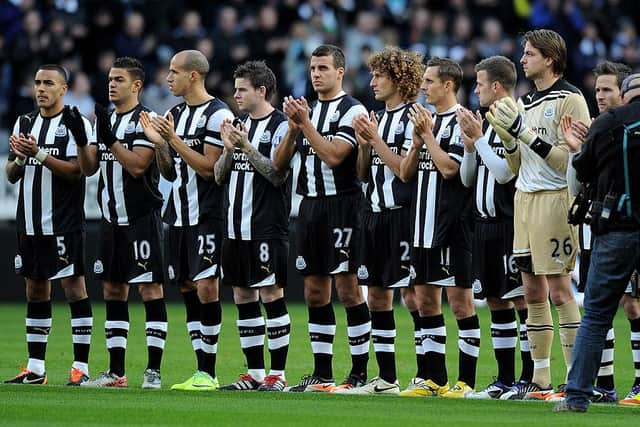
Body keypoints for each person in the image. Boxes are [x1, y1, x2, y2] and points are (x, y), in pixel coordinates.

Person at [486, 29, 591, 400]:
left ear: (550, 59)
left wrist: (524, 134)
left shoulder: (572, 99)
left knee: (560, 289)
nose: (523, 59)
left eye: (530, 53)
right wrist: (510, 140)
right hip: (524, 200)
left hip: (554, 198)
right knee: (532, 290)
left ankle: (575, 378)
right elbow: (517, 166)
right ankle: (541, 380)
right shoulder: (525, 101)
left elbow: (571, 161)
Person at [272, 44, 371, 392]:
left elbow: (333, 156)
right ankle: (323, 374)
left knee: (347, 288)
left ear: (340, 72)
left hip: (343, 206)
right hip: (310, 207)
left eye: (323, 68)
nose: (316, 74)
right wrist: (292, 129)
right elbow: (279, 166)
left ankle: (359, 372)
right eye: (313, 68)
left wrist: (306, 125)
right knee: (315, 292)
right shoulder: (307, 111)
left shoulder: (351, 109)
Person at [140, 50, 233, 391]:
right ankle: (200, 369)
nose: (168, 78)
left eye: (174, 72)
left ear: (193, 76)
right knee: (187, 287)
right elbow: (168, 170)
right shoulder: (174, 113)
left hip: (207, 214)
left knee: (208, 286)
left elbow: (210, 169)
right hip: (177, 216)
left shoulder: (217, 113)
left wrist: (173, 139)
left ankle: (208, 371)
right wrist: (159, 145)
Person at [75, 57, 167, 389]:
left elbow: (139, 166)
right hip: (111, 220)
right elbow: (89, 169)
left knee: (149, 289)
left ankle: (153, 371)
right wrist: (82, 140)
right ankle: (116, 372)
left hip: (141, 219)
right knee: (113, 289)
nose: (111, 84)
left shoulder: (148, 120)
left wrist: (109, 138)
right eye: (110, 78)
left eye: (119, 79)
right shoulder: (108, 118)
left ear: (136, 85)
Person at [554, 73, 640, 412]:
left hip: (617, 227)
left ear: (625, 94)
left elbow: (583, 173)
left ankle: (577, 397)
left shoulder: (607, 124)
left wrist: (580, 147)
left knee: (597, 315)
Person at [341, 46, 424, 395]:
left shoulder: (412, 117)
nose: (372, 81)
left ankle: (427, 374)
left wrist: (374, 139)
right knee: (376, 296)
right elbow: (363, 173)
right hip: (372, 215)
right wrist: (364, 147)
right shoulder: (377, 117)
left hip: (402, 216)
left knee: (413, 295)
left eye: (380, 76)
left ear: (399, 81)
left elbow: (405, 173)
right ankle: (387, 379)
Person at [4, 64, 93, 386]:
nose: (41, 88)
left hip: (63, 222)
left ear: (63, 89)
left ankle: (80, 367)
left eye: (48, 83)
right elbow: (11, 174)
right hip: (29, 222)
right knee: (35, 289)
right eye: (38, 82)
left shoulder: (74, 123)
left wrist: (38, 153)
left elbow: (76, 172)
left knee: (73, 288)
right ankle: (36, 369)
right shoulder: (25, 122)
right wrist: (20, 158)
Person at [397, 57, 479, 398]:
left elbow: (451, 171)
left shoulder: (462, 121)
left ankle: (467, 381)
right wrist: (416, 143)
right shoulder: (420, 121)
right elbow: (404, 172)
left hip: (453, 225)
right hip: (422, 223)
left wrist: (428, 136)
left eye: (429, 81)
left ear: (448, 84)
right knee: (425, 302)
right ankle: (434, 379)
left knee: (461, 304)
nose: (423, 87)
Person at [457, 55, 533, 399]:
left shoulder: (513, 118)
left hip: (509, 224)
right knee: (496, 301)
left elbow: (506, 173)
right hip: (483, 225)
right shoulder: (486, 120)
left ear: (497, 86)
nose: (476, 89)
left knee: (521, 302)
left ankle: (529, 379)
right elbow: (468, 178)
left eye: (480, 83)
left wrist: (480, 141)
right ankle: (503, 380)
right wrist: (472, 147)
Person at [214, 60, 291, 392]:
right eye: (235, 89)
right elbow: (218, 176)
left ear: (261, 91)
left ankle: (278, 375)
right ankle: (255, 374)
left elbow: (277, 174)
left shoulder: (281, 126)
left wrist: (246, 146)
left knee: (271, 293)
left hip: (266, 226)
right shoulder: (238, 124)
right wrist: (230, 150)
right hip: (235, 227)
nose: (235, 95)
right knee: (242, 295)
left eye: (242, 89)